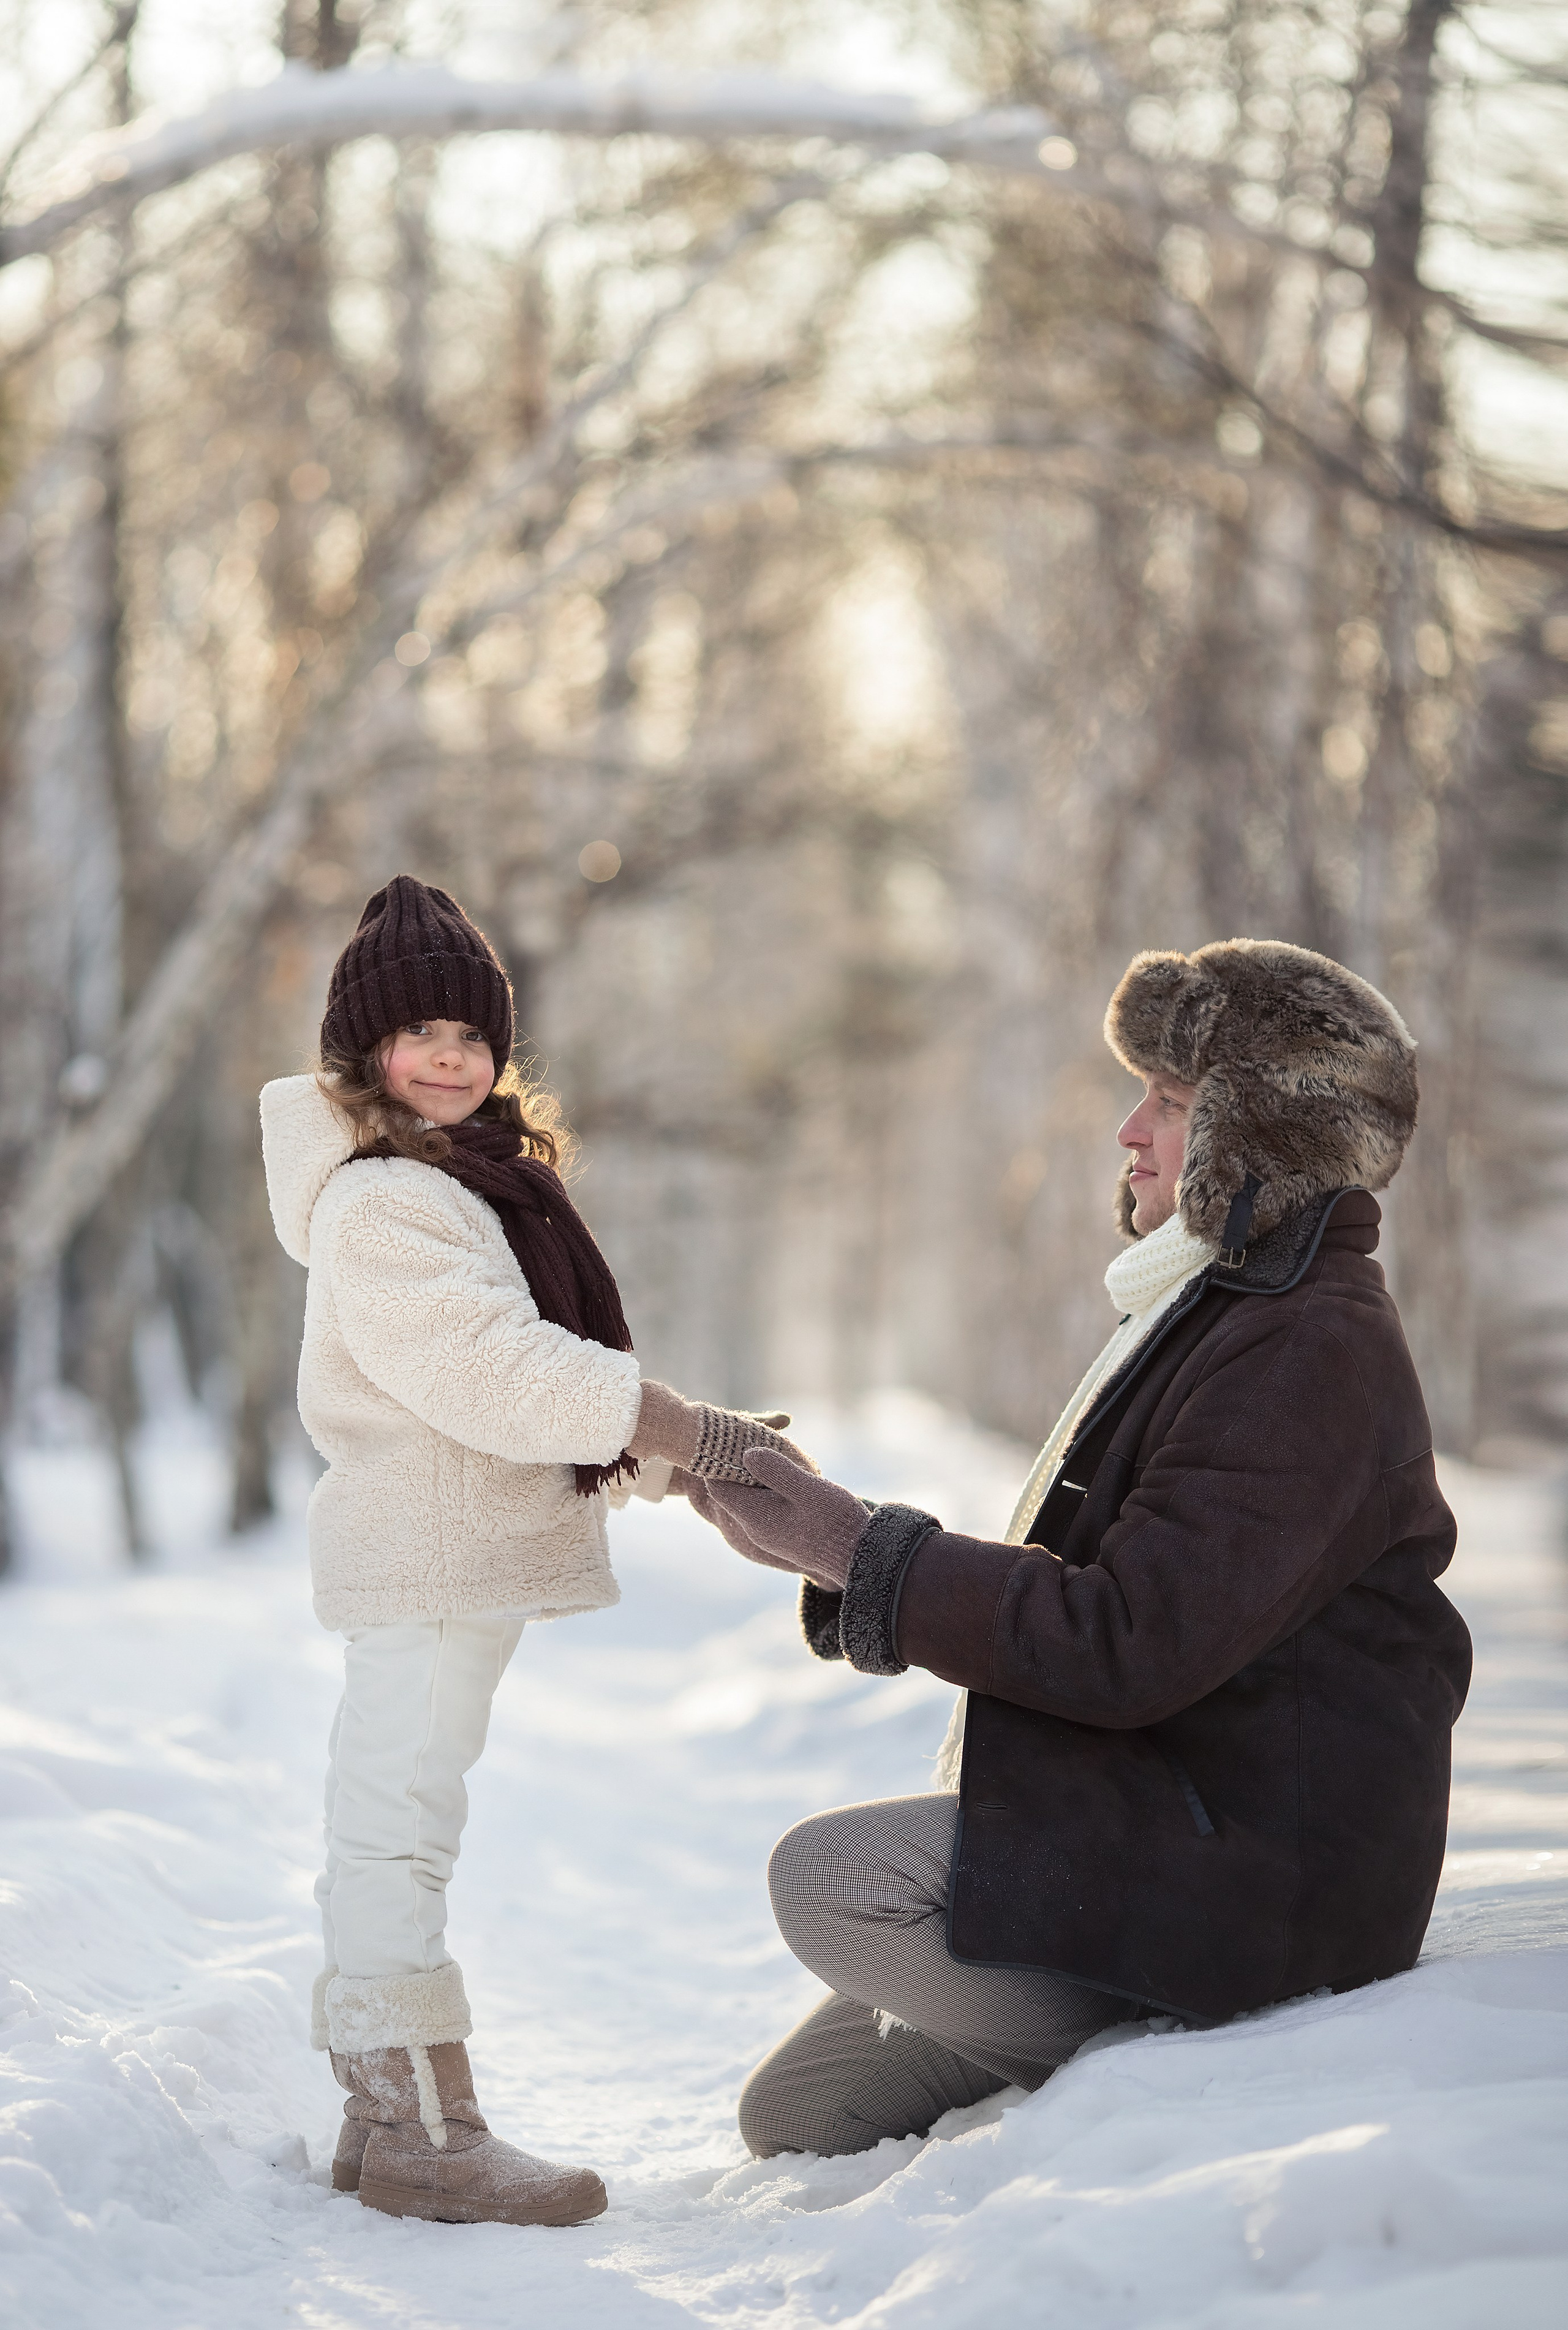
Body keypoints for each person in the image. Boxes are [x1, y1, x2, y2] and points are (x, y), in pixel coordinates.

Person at [688, 939, 1474, 2160]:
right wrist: (833, 1551)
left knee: (827, 1884)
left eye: (1167, 1101)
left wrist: (858, 1547)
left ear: (1255, 1135)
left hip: (1271, 1874)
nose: (1127, 1129)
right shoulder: (1210, 1309)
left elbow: (1126, 1639)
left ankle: (1149, 2068)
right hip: (1179, 1803)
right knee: (795, 2113)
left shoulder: (1305, 1349)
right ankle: (1091, 2026)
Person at [260, 874, 807, 2225]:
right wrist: (678, 1424)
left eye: (472, 1035)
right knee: (395, 1830)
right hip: (427, 1559)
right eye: (418, 1034)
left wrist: (668, 1460)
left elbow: (524, 1388)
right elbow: (493, 1371)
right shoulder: (383, 1203)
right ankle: (417, 2129)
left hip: (458, 1553)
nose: (450, 1058)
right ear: (363, 1052)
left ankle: (388, 2122)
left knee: (406, 1820)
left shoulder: (466, 1187)